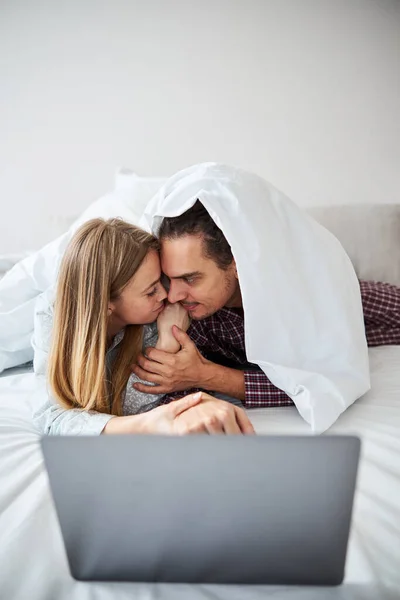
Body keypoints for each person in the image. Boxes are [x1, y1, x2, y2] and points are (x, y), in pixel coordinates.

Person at [132, 201, 400, 407]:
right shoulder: (184, 314)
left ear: (236, 264)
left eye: (190, 278)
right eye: (169, 278)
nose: (173, 295)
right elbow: (167, 399)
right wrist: (171, 348)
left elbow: (328, 384)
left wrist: (209, 375)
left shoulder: (302, 289)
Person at [33, 217, 254, 435]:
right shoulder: (52, 315)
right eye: (151, 291)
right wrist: (147, 424)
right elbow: (54, 416)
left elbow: (130, 403)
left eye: (161, 281)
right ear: (107, 305)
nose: (168, 295)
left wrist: (166, 343)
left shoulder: (161, 314)